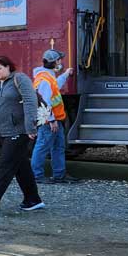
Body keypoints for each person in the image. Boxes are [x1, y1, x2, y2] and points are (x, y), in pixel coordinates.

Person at [0, 56, 44, 213]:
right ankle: (33, 200)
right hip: (3, 132)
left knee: (5, 165)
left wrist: (30, 127)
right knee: (21, 167)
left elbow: (31, 102)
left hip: (19, 131)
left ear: (8, 67)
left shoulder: (20, 79)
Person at [30, 49, 77, 184]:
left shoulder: (47, 76)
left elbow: (56, 85)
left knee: (57, 147)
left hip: (55, 119)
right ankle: (36, 176)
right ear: (55, 62)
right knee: (42, 147)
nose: (61, 62)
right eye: (59, 60)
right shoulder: (44, 79)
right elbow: (44, 101)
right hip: (49, 121)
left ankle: (59, 175)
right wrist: (51, 120)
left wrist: (66, 74)